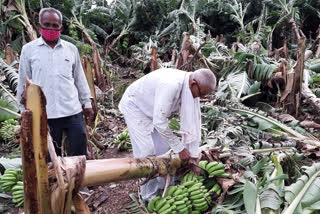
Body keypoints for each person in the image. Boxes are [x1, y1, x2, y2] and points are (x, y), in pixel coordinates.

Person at [119, 68, 216, 201]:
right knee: (147, 152)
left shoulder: (190, 88)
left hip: (154, 111)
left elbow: (194, 123)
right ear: (193, 83)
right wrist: (180, 148)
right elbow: (159, 121)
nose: (201, 98)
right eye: (201, 94)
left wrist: (193, 157)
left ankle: (165, 187)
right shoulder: (171, 85)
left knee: (163, 150)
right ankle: (149, 196)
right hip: (136, 107)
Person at [16, 8, 94, 157]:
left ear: (61, 28)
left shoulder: (71, 49)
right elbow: (23, 82)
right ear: (39, 26)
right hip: (45, 113)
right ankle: (56, 181)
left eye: (55, 25)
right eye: (47, 24)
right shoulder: (29, 50)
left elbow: (79, 79)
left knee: (79, 153)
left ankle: (77, 180)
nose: (51, 28)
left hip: (72, 110)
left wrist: (87, 104)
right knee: (50, 159)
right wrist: (22, 111)